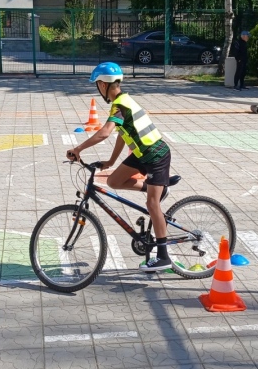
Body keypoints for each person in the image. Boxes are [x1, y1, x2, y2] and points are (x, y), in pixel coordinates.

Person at [66, 62, 176, 272]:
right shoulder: (121, 102)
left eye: (97, 84)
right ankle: (158, 188)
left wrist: (78, 148)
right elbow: (121, 136)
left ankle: (163, 256)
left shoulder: (121, 105)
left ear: (103, 84)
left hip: (155, 154)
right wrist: (110, 162)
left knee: (152, 205)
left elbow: (105, 132)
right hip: (141, 153)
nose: (98, 89)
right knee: (113, 181)